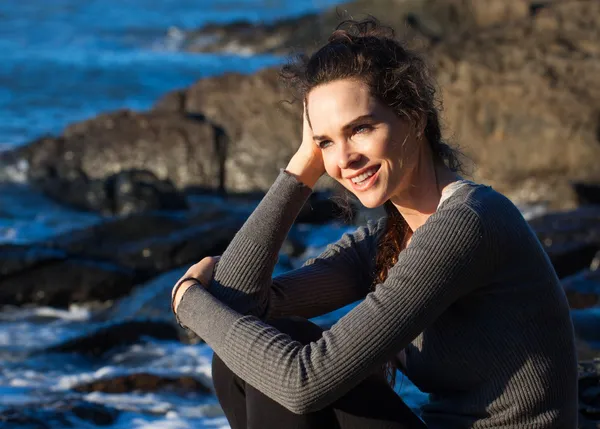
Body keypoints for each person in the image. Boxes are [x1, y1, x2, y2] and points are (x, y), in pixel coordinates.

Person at [170, 18, 578, 429]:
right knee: (246, 353)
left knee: (277, 354)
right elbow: (239, 303)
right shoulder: (389, 238)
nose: (344, 158)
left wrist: (187, 300)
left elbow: (304, 383)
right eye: (327, 142)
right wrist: (303, 166)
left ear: (415, 118)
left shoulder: (468, 224)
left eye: (360, 129)